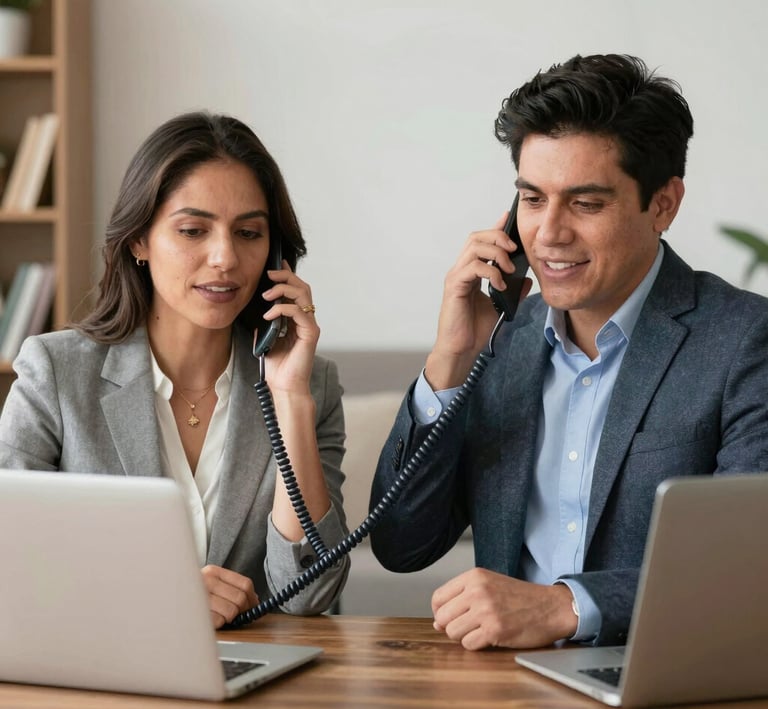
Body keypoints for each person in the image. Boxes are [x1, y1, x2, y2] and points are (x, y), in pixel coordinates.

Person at [369, 54, 768, 650]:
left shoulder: (742, 340)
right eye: (532, 200)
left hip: (665, 675)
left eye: (586, 203)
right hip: (507, 685)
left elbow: (750, 559)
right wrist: (450, 360)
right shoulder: (498, 342)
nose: (549, 233)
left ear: (663, 203)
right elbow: (403, 545)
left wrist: (566, 607)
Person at [0, 111, 350, 625]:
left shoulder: (310, 385)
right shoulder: (54, 372)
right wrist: (160, 596)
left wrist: (290, 397)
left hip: (252, 682)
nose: (225, 258)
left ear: (274, 252)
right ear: (139, 240)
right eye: (192, 230)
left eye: (249, 233)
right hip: (103, 679)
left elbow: (309, 594)